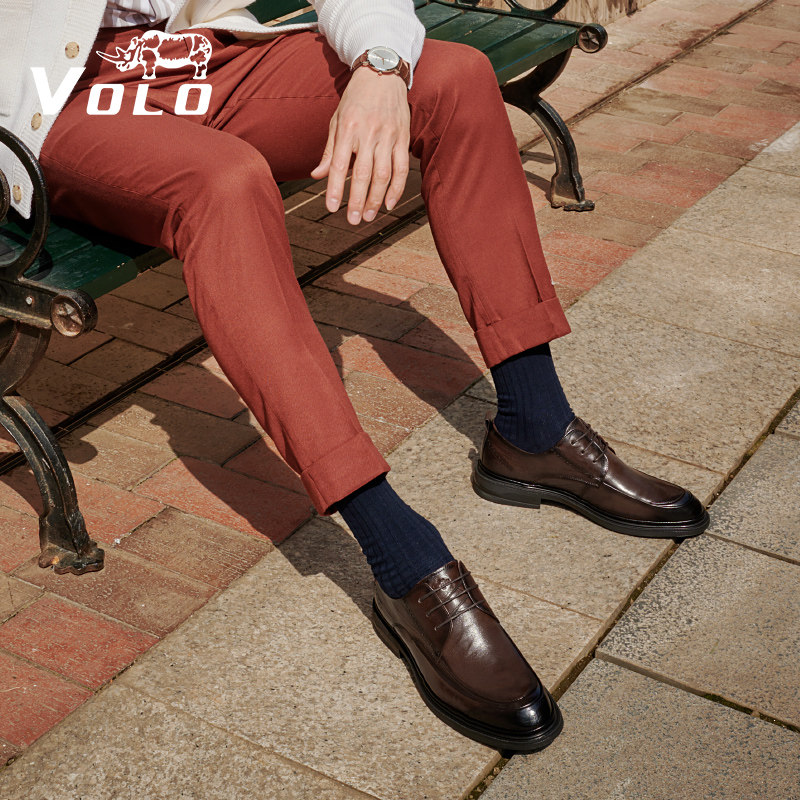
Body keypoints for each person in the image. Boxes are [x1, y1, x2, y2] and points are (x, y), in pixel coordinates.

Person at [0, 0, 709, 753]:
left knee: (454, 78)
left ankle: (535, 427)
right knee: (226, 185)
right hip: (51, 95)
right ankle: (401, 555)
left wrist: (381, 66)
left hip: (191, 59)